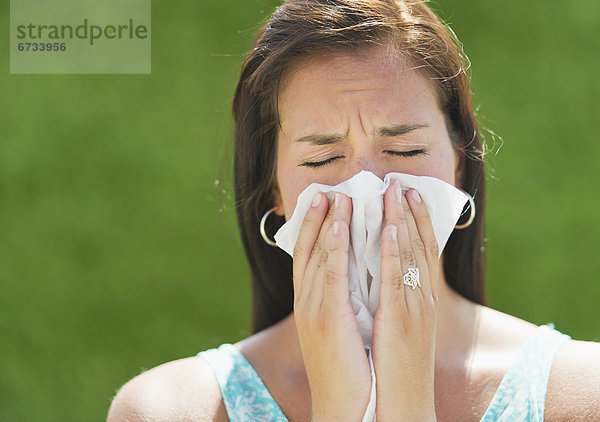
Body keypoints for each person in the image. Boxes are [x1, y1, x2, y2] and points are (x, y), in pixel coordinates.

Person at [107, 0, 600, 420]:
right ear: (274, 194)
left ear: (459, 168)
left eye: (404, 150)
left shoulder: (580, 395)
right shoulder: (172, 408)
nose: (369, 186)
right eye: (322, 158)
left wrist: (407, 398)